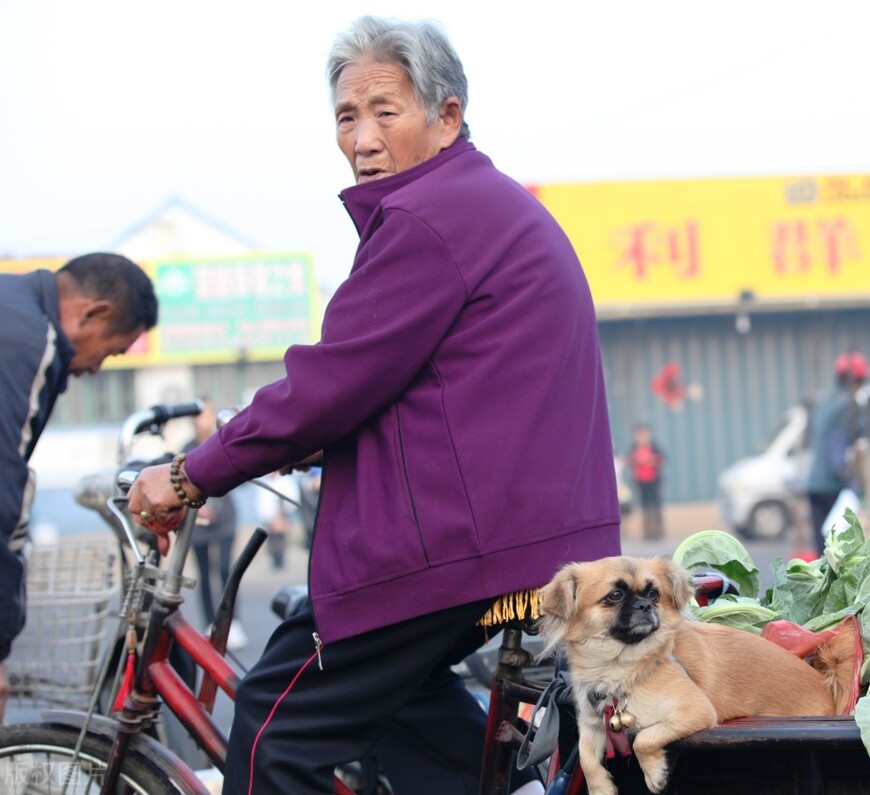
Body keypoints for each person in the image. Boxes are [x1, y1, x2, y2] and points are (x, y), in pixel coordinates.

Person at [127, 16, 619, 794]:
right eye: (346, 117)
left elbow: (330, 383)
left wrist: (191, 475)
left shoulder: (429, 217)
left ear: (447, 115)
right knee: (401, 703)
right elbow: (427, 385)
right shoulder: (476, 203)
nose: (362, 138)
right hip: (523, 538)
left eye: (385, 111)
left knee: (273, 728)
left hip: (458, 546)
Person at [0, 252, 157, 721]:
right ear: (94, 312)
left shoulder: (13, 301)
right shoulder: (31, 340)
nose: (94, 370)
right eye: (109, 352)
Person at [185, 399, 247, 649]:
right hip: (198, 520)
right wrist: (200, 504)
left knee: (225, 570)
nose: (205, 419)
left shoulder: (223, 441)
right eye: (200, 415)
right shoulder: (187, 448)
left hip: (224, 519)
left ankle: (232, 622)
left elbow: (240, 472)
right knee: (203, 574)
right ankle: (209, 622)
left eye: (208, 413)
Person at [805, 352, 869, 552]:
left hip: (814, 484)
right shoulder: (849, 405)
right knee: (836, 549)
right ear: (858, 380)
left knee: (821, 549)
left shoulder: (824, 400)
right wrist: (853, 482)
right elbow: (841, 445)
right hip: (833, 487)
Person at [627, 424, 666, 540]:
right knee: (645, 507)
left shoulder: (654, 447)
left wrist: (652, 460)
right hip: (641, 482)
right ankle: (647, 532)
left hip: (653, 481)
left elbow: (662, 459)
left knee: (655, 506)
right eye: (639, 435)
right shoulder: (634, 448)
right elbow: (629, 460)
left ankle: (658, 531)